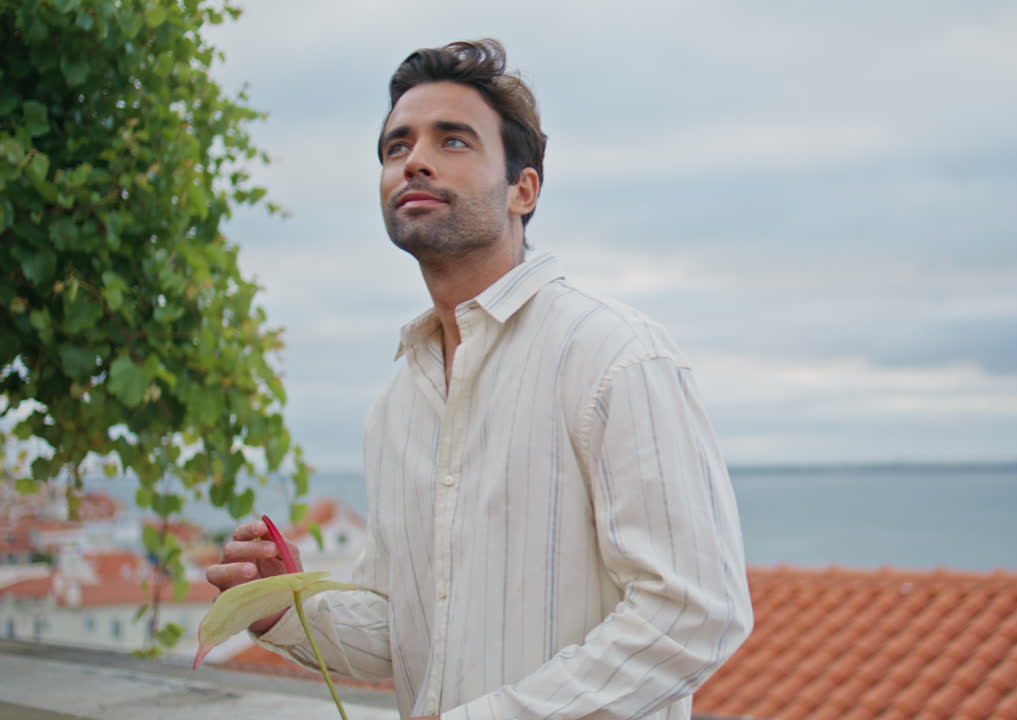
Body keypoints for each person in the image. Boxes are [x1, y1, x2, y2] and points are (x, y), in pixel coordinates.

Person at [205, 39, 752, 720]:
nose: (416, 160)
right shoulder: (397, 406)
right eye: (395, 146)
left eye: (454, 141)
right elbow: (408, 633)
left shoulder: (616, 358)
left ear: (523, 190)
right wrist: (280, 606)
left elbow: (694, 614)